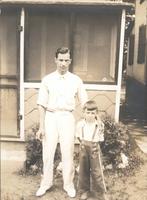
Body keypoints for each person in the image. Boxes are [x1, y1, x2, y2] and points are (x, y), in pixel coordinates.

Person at [36, 47, 88, 197]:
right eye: (61, 60)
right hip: (51, 117)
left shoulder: (76, 80)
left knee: (68, 151)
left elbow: (85, 102)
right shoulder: (47, 79)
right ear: (55, 60)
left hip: (67, 117)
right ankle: (46, 183)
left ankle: (68, 184)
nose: (63, 63)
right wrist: (41, 126)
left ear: (70, 61)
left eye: (66, 60)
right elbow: (41, 104)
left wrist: (90, 121)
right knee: (48, 152)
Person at [76, 100, 106, 200]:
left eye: (92, 113)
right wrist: (84, 144)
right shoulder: (80, 124)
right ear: (83, 113)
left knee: (97, 171)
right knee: (83, 170)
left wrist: (94, 146)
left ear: (96, 114)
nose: (90, 115)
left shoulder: (99, 125)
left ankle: (100, 191)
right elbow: (79, 137)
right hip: (83, 148)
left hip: (94, 148)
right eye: (87, 113)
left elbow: (101, 139)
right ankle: (84, 190)